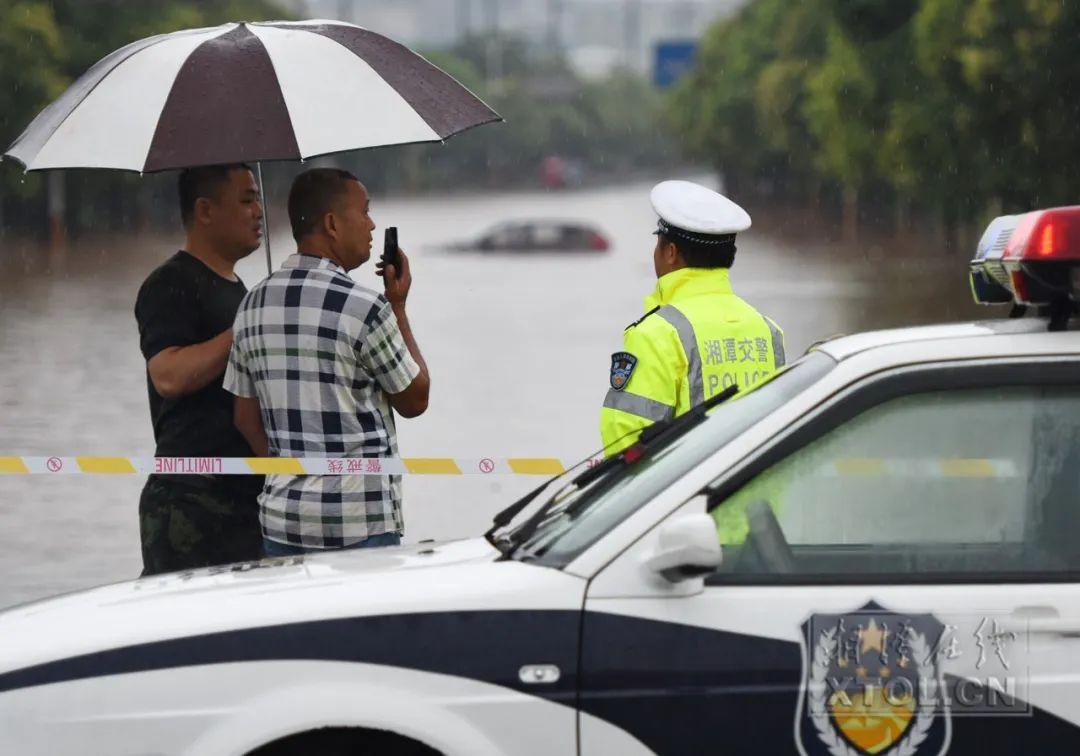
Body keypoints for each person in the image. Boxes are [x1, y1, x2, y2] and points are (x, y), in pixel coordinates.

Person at [224, 168, 430, 555]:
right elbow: (415, 399)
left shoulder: (250, 305)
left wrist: (294, 476)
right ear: (332, 224)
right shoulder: (365, 307)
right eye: (365, 211)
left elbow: (244, 418)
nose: (372, 225)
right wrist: (398, 307)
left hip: (282, 524)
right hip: (360, 529)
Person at [134, 163, 266, 575]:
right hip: (189, 501)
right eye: (247, 200)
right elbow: (169, 375)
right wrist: (242, 330)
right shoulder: (169, 283)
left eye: (258, 199)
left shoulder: (241, 292)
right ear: (205, 211)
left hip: (246, 499)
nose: (259, 211)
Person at [599, 180, 785, 455]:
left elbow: (625, 445)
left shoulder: (656, 335)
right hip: (759, 495)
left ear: (670, 253)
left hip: (690, 495)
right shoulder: (769, 331)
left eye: (659, 245)